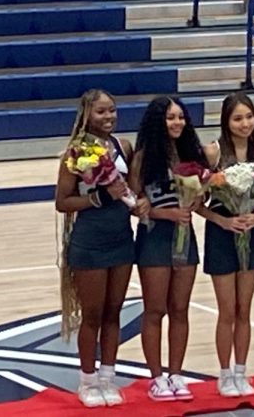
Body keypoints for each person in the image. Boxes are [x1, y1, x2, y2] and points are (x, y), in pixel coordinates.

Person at [54, 89, 146, 408]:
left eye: (112, 111)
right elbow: (62, 202)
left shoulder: (124, 146)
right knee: (92, 314)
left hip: (122, 238)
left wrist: (142, 204)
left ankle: (108, 377)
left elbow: (133, 191)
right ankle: (87, 381)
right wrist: (96, 198)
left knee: (113, 312)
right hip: (90, 241)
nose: (108, 117)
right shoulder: (76, 151)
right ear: (86, 115)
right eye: (101, 112)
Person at [129, 96, 206, 402]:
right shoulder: (143, 157)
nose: (177, 123)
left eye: (181, 117)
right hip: (155, 237)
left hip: (185, 237)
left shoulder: (193, 154)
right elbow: (134, 205)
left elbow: (202, 197)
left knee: (180, 309)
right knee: (155, 309)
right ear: (158, 120)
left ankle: (176, 373)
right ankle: (156, 377)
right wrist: (163, 213)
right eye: (171, 118)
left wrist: (197, 201)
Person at [199, 92, 254, 398]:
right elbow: (194, 201)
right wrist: (222, 221)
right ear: (226, 121)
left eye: (249, 116)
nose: (245, 123)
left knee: (244, 309)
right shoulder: (212, 153)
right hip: (222, 234)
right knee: (227, 310)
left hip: (249, 235)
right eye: (238, 118)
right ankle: (224, 374)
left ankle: (241, 371)